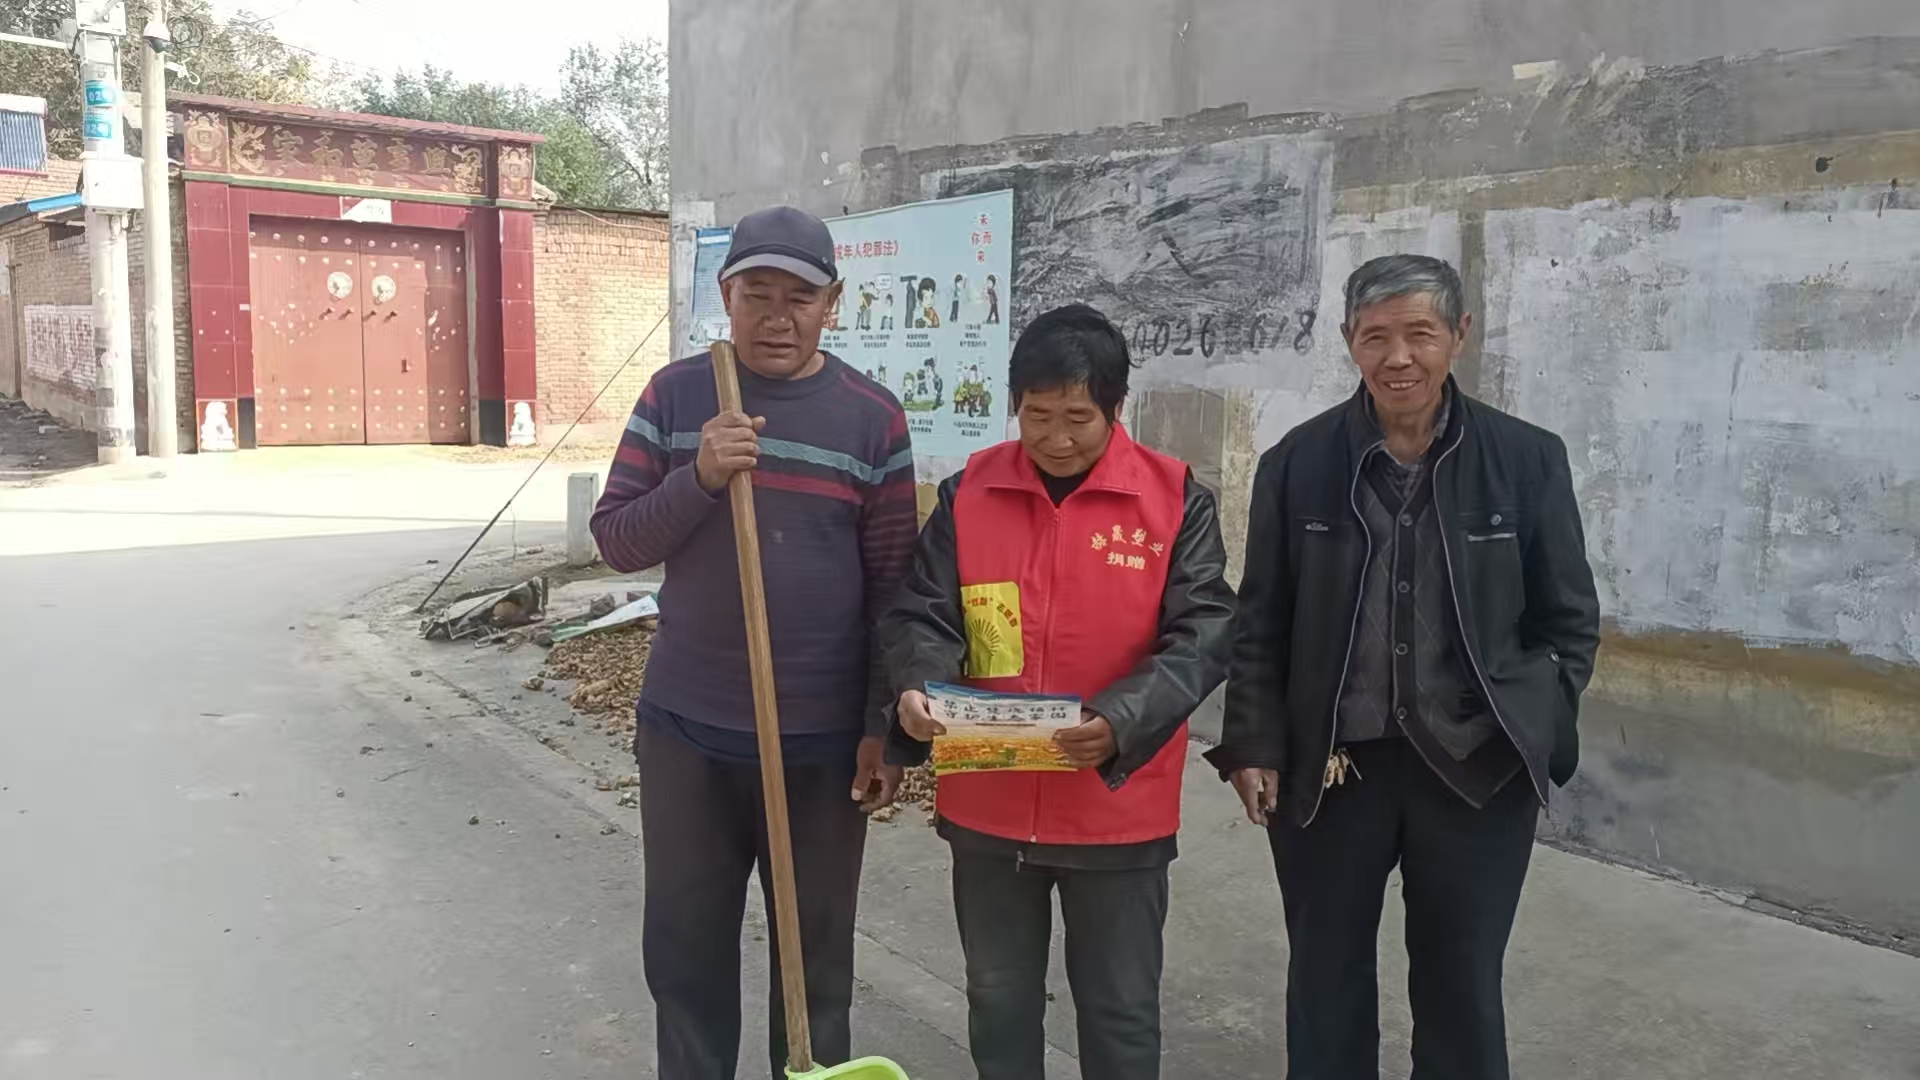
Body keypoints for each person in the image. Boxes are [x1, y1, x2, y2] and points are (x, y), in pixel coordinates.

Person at [1207, 254, 1601, 1080]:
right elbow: (1261, 620)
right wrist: (1252, 744)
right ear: (1349, 340)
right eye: (1375, 336)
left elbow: (1568, 618)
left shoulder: (1526, 459)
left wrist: (1538, 719)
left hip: (1477, 770)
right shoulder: (1297, 464)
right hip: (1332, 768)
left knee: (1463, 987)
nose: (1398, 358)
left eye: (1420, 333)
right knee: (1325, 979)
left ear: (1459, 334)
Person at [590, 205, 919, 1080]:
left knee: (815, 967)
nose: (778, 317)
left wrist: (882, 728)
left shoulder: (872, 418)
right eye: (757, 294)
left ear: (832, 304)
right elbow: (616, 540)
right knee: (686, 955)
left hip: (820, 747)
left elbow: (894, 586)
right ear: (726, 296)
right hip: (687, 735)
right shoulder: (675, 396)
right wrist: (698, 476)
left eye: (799, 298)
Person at [883, 304, 1236, 1080]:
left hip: (1117, 806)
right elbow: (923, 612)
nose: (1056, 437)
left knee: (1119, 1010)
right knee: (997, 998)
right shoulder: (970, 492)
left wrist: (1119, 718)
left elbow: (1205, 632)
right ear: (1015, 403)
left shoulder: (1175, 500)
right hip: (990, 802)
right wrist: (917, 686)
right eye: (1037, 416)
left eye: (1078, 418)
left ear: (1116, 406)